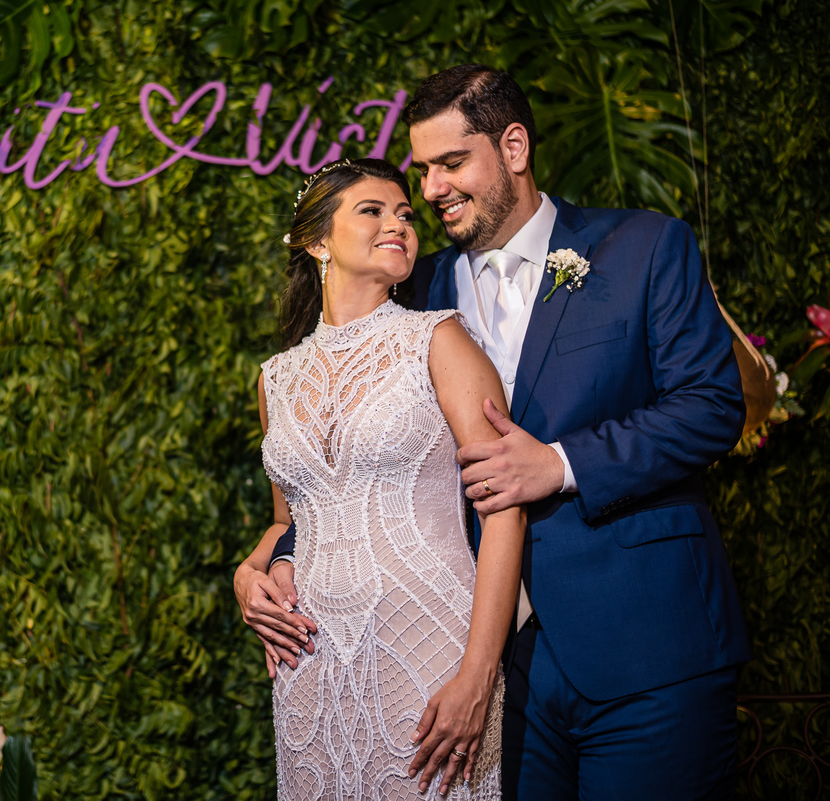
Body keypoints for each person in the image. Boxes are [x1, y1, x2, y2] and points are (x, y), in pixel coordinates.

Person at [251, 65, 751, 800]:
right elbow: (358, 467)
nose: (428, 190)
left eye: (450, 163)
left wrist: (560, 462)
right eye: (422, 169)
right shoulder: (418, 294)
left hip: (646, 646)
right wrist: (275, 556)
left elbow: (712, 404)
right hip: (496, 671)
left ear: (513, 147)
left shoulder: (643, 248)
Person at [233, 156, 525, 800]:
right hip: (309, 661)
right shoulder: (275, 379)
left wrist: (478, 674)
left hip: (429, 646)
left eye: (405, 214)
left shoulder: (440, 341)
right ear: (316, 241)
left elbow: (504, 510)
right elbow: (289, 522)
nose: (398, 224)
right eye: (372, 210)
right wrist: (246, 575)